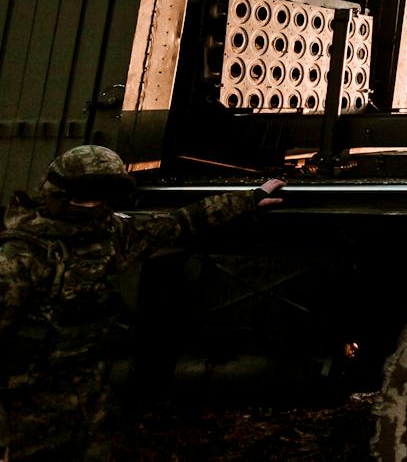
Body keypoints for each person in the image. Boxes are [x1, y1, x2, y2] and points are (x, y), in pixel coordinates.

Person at [0, 145, 285, 461]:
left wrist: (248, 200)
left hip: (87, 402)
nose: (92, 205)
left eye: (100, 195)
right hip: (25, 411)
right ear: (58, 193)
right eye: (84, 195)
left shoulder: (111, 234)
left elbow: (180, 223)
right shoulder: (20, 257)